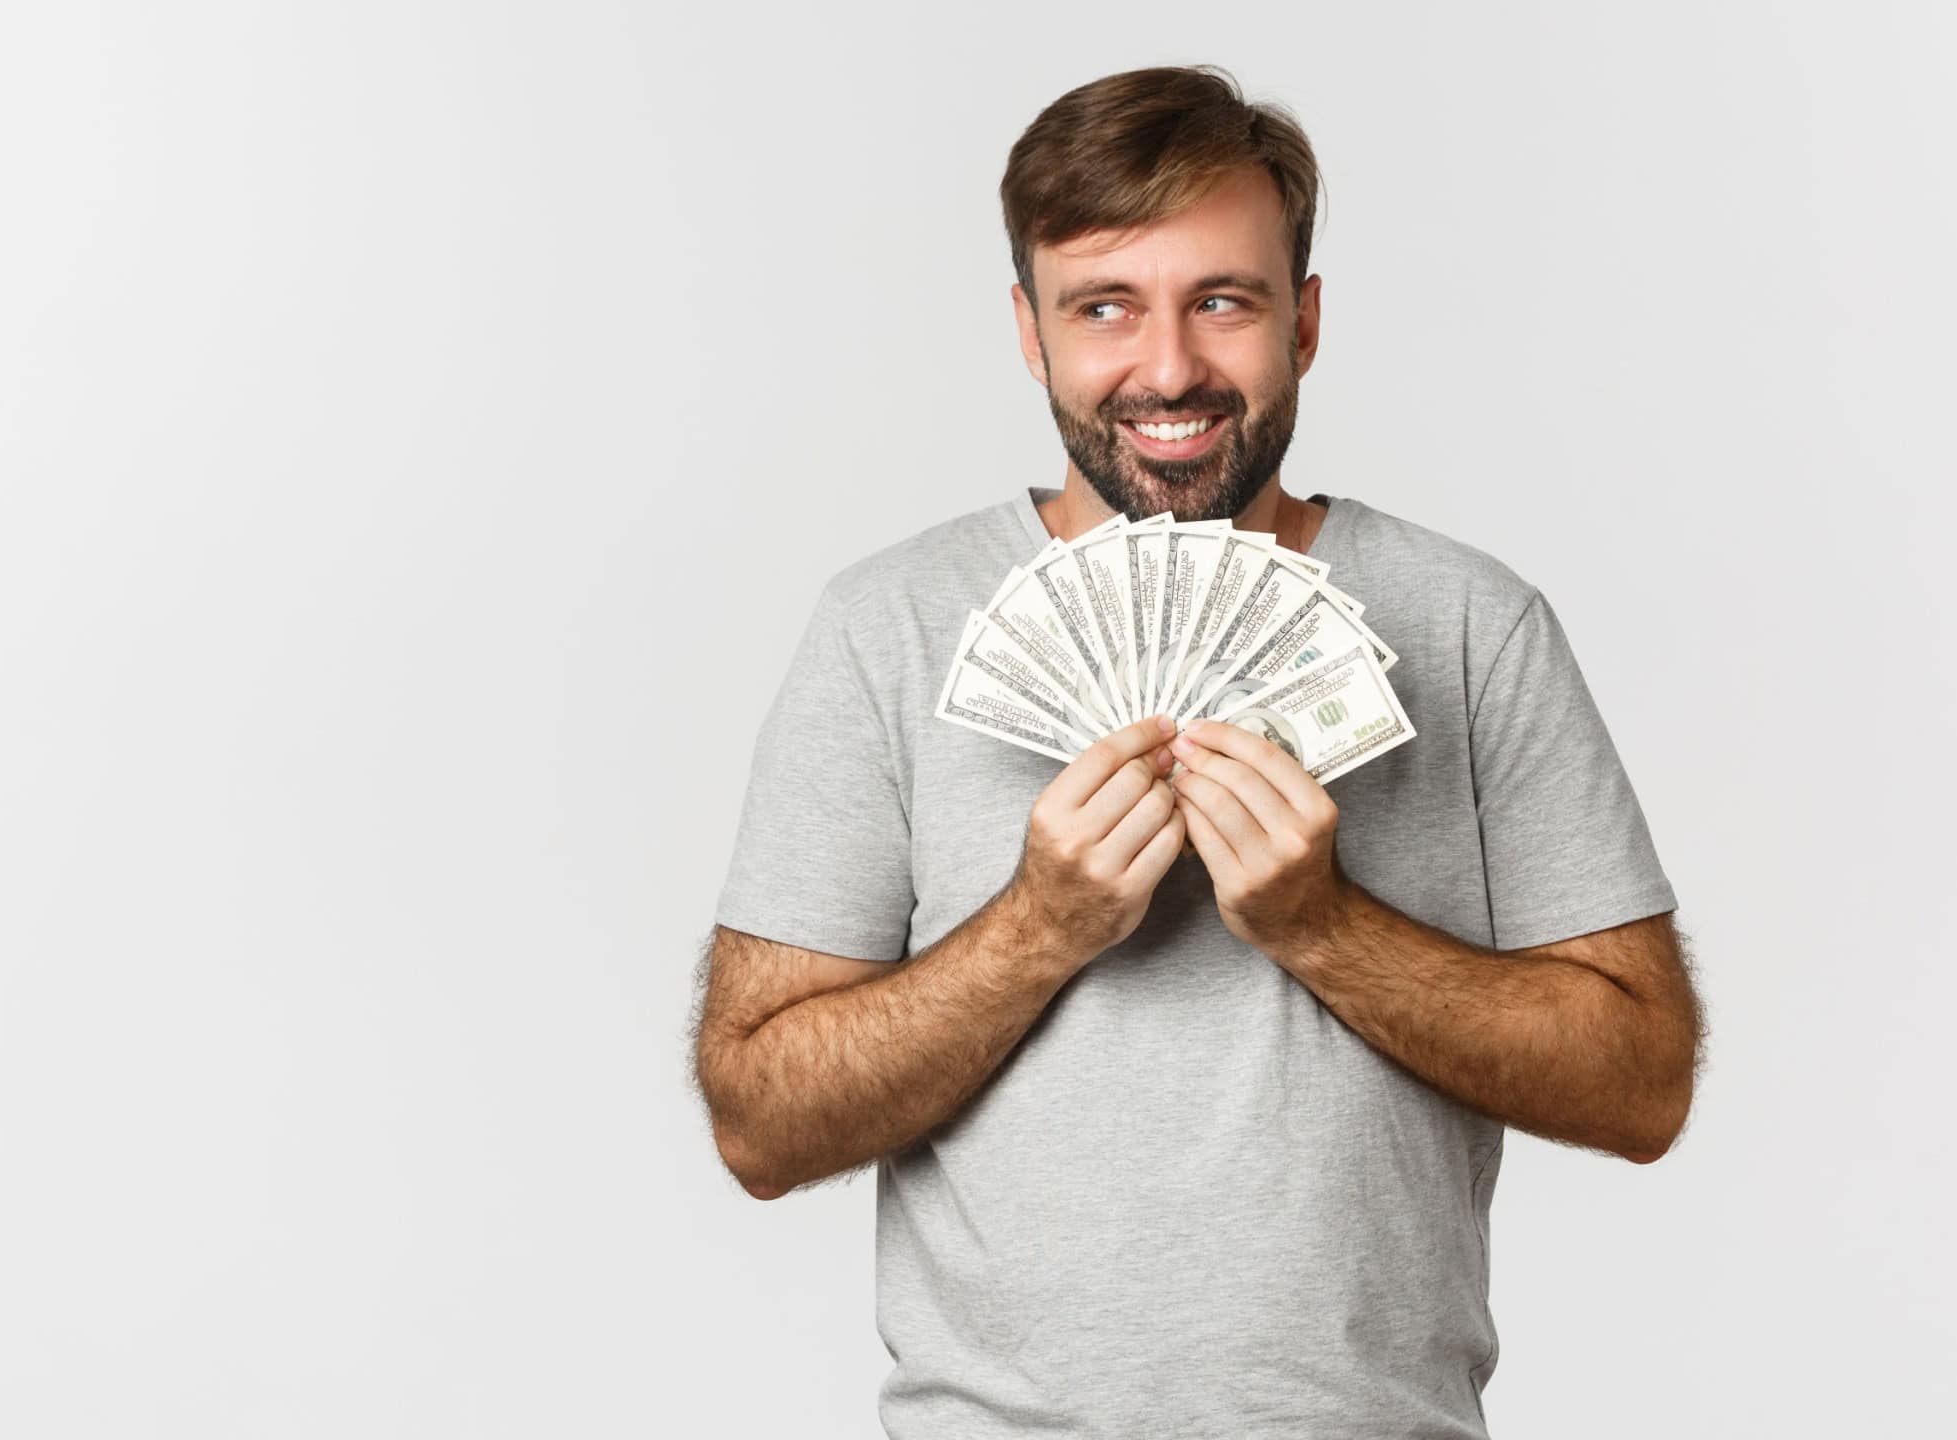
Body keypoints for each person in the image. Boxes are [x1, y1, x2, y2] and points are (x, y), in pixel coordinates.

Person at [692, 63, 1703, 1439]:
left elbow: (1640, 1083)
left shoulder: (1472, 624)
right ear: (1030, 336)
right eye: (1103, 307)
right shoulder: (889, 627)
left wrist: (1322, 926)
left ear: (1306, 321)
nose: (1167, 369)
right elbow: (760, 1120)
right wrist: (1040, 928)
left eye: (1222, 301)